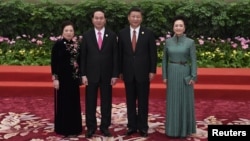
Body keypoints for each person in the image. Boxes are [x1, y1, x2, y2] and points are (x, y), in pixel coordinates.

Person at [118, 7, 157, 137]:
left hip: (143, 73)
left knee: (143, 101)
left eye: (138, 17)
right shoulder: (122, 33)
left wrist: (152, 70)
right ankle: (131, 126)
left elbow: (153, 53)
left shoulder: (148, 33)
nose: (135, 19)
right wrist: (120, 70)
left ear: (141, 18)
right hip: (128, 72)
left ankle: (143, 127)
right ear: (129, 17)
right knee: (130, 101)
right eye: (133, 16)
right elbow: (119, 54)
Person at [80, 9, 119, 138]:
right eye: (96, 18)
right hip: (91, 75)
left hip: (107, 75)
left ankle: (104, 126)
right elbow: (83, 57)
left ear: (105, 19)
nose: (99, 20)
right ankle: (91, 127)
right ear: (92, 20)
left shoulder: (112, 35)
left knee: (106, 102)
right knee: (90, 102)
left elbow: (115, 56)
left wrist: (115, 74)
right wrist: (83, 74)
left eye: (101, 18)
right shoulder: (87, 36)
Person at [162, 15, 197, 138]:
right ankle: (172, 130)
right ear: (173, 27)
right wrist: (164, 76)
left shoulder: (190, 42)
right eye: (176, 25)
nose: (178, 27)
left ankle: (185, 130)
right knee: (173, 101)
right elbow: (164, 60)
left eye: (180, 25)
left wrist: (193, 76)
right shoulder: (168, 42)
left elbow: (193, 60)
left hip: (185, 74)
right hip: (172, 73)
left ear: (184, 27)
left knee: (184, 101)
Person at [51, 20, 82, 137]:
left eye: (71, 30)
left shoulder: (76, 45)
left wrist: (81, 75)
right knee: (64, 103)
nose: (69, 33)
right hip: (62, 79)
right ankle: (64, 128)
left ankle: (75, 128)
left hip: (73, 79)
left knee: (74, 103)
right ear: (62, 32)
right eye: (66, 30)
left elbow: (79, 61)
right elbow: (54, 63)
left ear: (74, 32)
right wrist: (55, 78)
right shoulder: (58, 45)